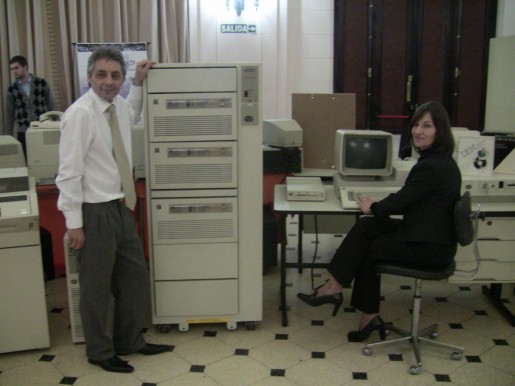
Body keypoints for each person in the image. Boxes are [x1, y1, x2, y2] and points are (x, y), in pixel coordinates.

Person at [297, 101, 462, 342]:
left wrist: (373, 206)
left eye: (427, 126)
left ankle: (355, 307)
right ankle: (336, 288)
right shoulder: (438, 161)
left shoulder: (433, 166)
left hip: (430, 247)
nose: (418, 131)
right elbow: (409, 198)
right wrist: (374, 211)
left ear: (441, 131)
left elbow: (403, 201)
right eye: (416, 125)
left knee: (369, 248)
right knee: (366, 226)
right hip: (425, 234)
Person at [56, 47, 171, 373]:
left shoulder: (117, 106)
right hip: (93, 212)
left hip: (122, 207)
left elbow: (131, 115)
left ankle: (130, 340)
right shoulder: (80, 114)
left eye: (115, 75)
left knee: (134, 278)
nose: (109, 81)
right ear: (89, 76)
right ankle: (99, 350)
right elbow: (68, 173)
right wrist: (74, 224)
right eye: (102, 75)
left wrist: (137, 83)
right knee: (96, 287)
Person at [4, 55, 56, 155]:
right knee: (28, 160)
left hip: (41, 128)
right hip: (23, 132)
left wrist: (55, 126)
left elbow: (52, 105)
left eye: (17, 68)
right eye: (12, 69)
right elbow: (9, 115)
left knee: (44, 158)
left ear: (25, 67)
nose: (14, 71)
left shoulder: (41, 83)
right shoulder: (12, 89)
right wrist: (8, 137)